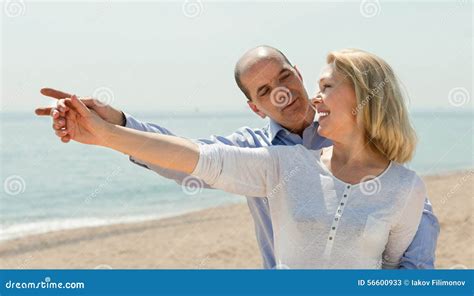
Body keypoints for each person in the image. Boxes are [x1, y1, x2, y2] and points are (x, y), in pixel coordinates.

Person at [35, 46, 439, 269]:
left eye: (285, 78)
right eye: (264, 92)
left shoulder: (396, 177)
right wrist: (115, 129)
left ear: (297, 73)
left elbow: (411, 245)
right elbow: (187, 156)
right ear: (255, 108)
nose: (283, 93)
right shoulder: (266, 157)